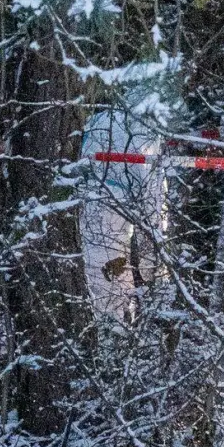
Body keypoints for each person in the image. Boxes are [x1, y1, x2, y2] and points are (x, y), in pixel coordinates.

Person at [80, 94, 168, 321]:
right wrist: (153, 270)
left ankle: (104, 329)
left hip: (90, 202)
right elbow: (153, 197)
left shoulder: (96, 122)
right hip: (119, 207)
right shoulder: (146, 130)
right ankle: (122, 331)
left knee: (100, 278)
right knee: (115, 277)